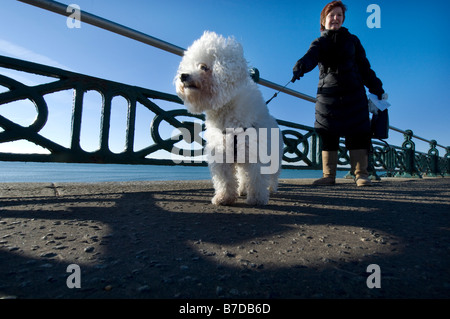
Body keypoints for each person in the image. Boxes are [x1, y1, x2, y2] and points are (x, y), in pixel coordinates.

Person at [291, 0, 387, 186]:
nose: (335, 18)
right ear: (323, 20)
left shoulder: (353, 40)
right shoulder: (319, 42)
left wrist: (377, 87)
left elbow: (364, 67)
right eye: (331, 15)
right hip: (328, 98)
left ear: (343, 19)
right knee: (328, 133)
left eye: (339, 15)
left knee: (359, 132)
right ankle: (329, 175)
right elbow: (311, 56)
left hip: (354, 95)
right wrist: (301, 66)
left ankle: (361, 174)